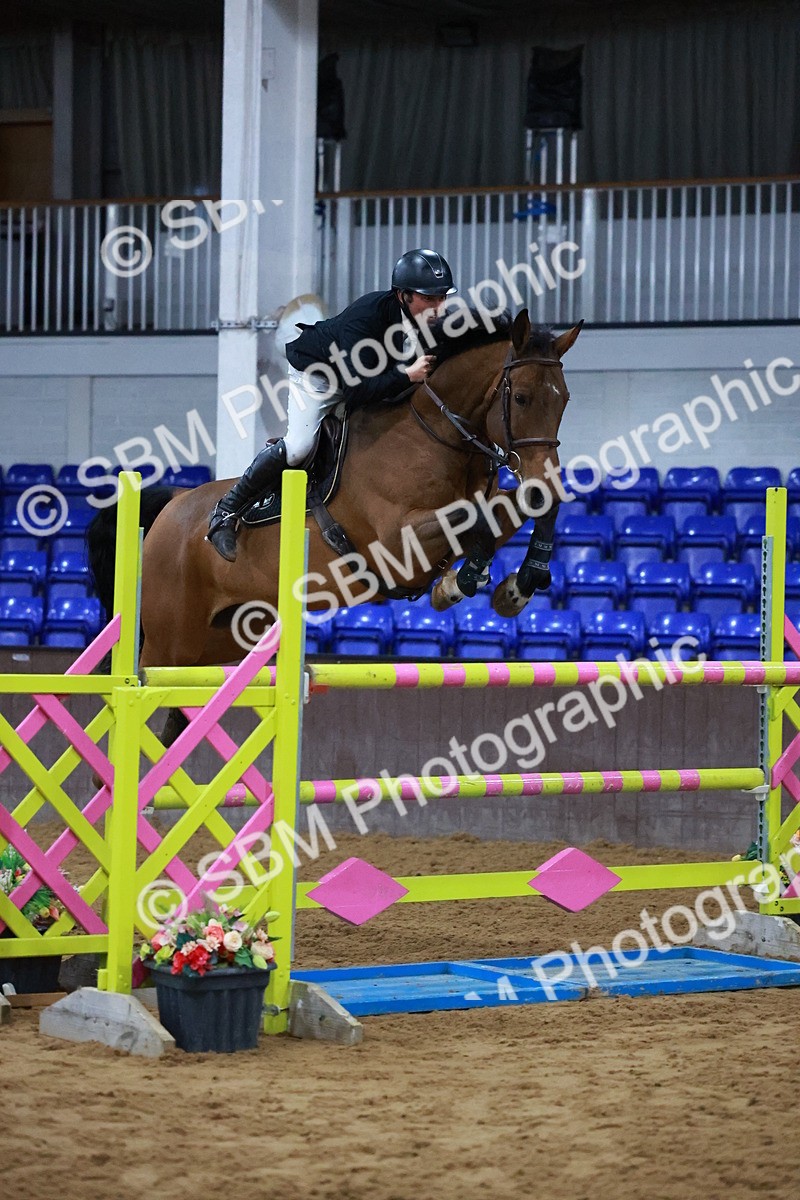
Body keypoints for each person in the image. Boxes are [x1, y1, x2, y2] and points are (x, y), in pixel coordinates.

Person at [207, 248, 457, 561]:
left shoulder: (429, 322)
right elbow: (357, 391)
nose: (438, 307)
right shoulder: (368, 317)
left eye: (442, 298)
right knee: (299, 447)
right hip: (319, 378)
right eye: (429, 299)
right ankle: (226, 511)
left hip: (369, 380)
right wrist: (407, 376)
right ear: (403, 295)